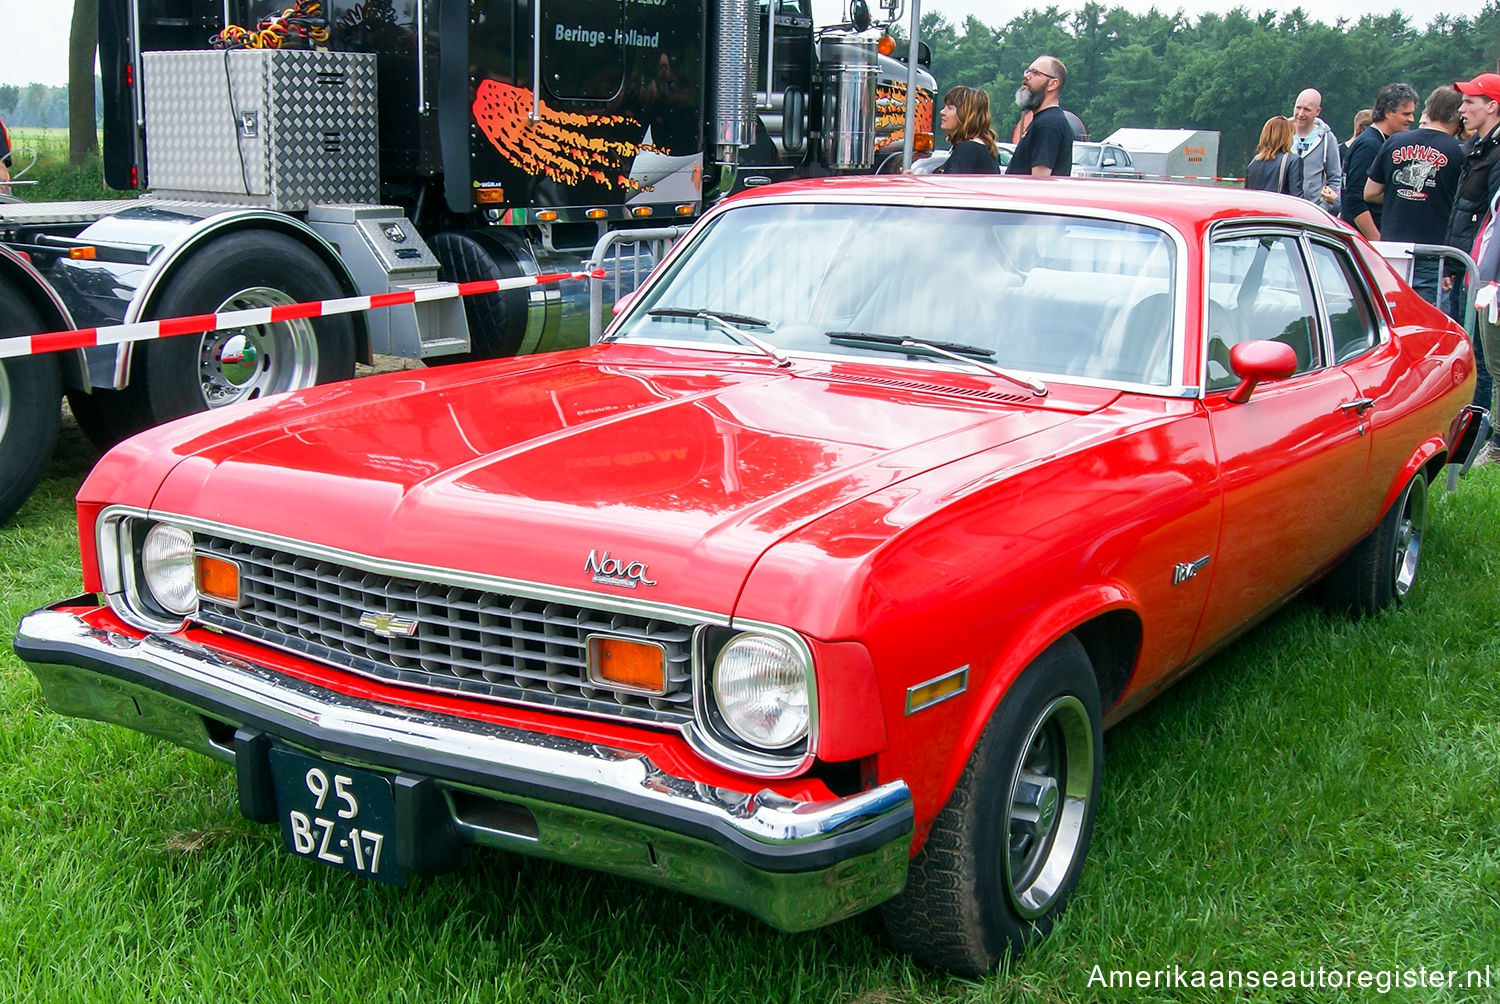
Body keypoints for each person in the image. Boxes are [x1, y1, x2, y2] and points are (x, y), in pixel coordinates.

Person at [1364, 86, 1465, 306]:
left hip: (1392, 250)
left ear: (1428, 110)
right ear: (1458, 117)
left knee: (1390, 318)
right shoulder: (1459, 152)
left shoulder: (1394, 142)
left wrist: (1401, 195)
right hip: (1433, 253)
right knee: (1427, 323)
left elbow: (1370, 193)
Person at [1445, 72, 1500, 415]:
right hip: (1468, 261)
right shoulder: (1478, 147)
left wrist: (1484, 274)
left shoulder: (1495, 153)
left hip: (1484, 269)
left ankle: (1479, 432)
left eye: (1470, 101)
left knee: (1482, 354)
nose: (1461, 108)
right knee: (1469, 348)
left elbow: (1489, 217)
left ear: (1493, 106)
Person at [1341, 83, 1419, 239]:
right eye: (1406, 114)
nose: (1412, 119)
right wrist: (1377, 241)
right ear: (1389, 112)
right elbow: (1354, 198)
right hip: (1365, 240)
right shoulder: (1370, 145)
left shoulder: (1383, 142)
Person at [1006, 56, 1073, 177]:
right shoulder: (1044, 120)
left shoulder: (1048, 124)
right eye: (1028, 71)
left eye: (1035, 73)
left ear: (1053, 84)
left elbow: (1040, 181)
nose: (1026, 76)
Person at [1289, 88, 1340, 209]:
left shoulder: (1327, 138)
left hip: (1313, 211)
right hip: (1284, 209)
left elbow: (1335, 178)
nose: (1301, 114)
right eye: (1298, 108)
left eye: (1306, 110)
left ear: (1317, 111)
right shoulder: (1281, 133)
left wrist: (1324, 208)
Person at [934, 86, 1000, 174]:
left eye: (950, 108)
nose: (942, 112)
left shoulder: (968, 149)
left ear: (965, 114)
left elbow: (949, 186)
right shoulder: (980, 149)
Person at [1244, 116, 1304, 195]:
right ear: (1287, 137)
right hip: (1280, 206)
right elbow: (1297, 198)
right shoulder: (1293, 161)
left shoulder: (1253, 163)